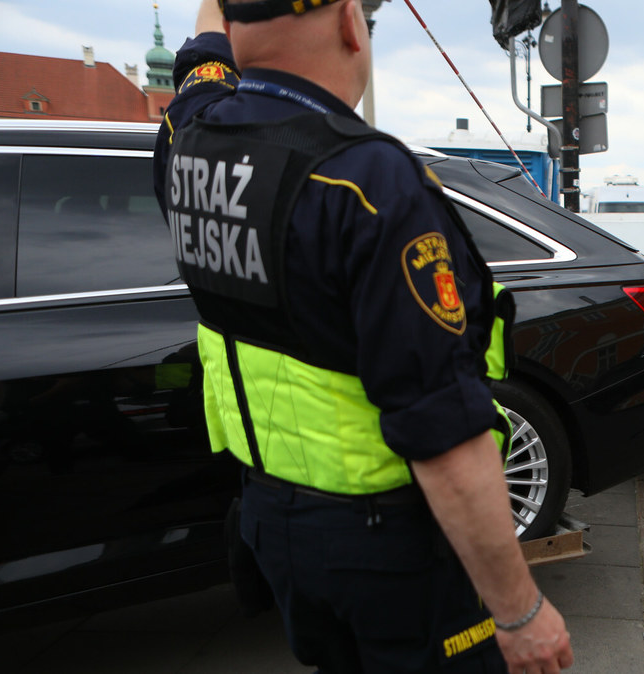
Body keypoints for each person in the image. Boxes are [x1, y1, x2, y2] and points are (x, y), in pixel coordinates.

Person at [153, 1, 573, 672]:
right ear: (353, 22)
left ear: (232, 30)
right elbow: (439, 428)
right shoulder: (366, 181)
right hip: (391, 547)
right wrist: (520, 612)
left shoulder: (187, 136)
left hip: (273, 524)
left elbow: (198, 63)